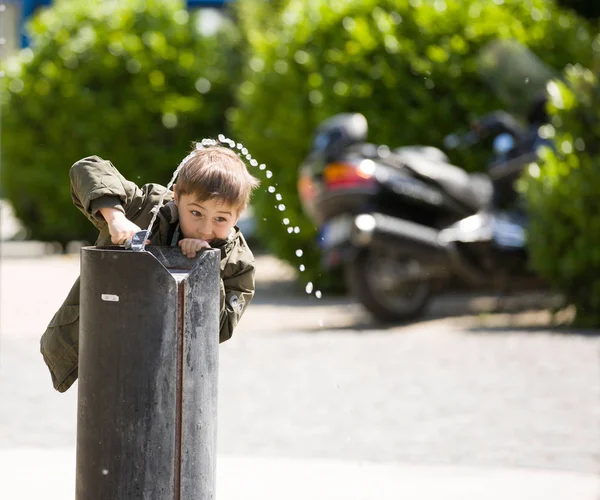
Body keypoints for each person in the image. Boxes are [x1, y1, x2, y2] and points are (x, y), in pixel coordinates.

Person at [40, 143, 260, 392]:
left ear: (238, 214)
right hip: (107, 344)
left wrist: (206, 264)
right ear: (177, 196)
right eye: (196, 212)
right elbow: (87, 168)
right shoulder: (146, 209)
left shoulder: (238, 262)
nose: (206, 228)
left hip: (171, 371)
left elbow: (219, 330)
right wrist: (116, 218)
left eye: (220, 218)